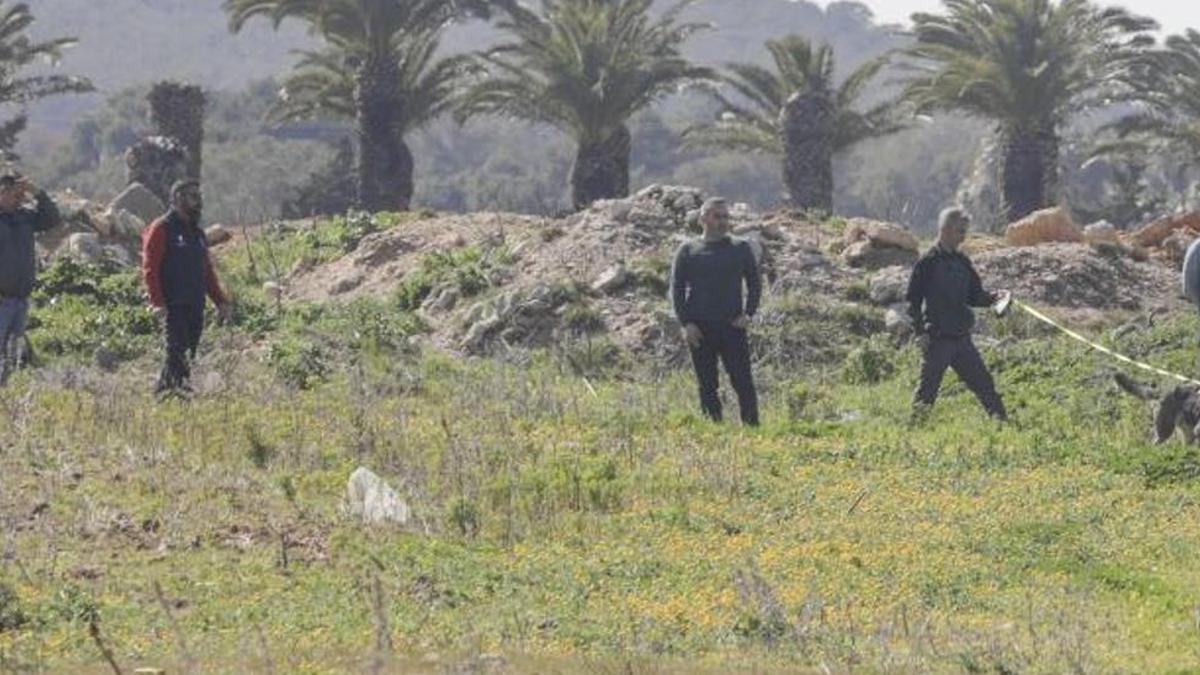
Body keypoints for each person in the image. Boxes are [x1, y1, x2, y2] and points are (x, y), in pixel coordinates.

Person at [907, 206, 1008, 421]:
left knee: (985, 386)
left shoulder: (963, 262)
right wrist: (919, 332)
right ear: (945, 230)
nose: (963, 237)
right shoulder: (927, 263)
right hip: (937, 339)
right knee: (927, 393)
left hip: (962, 339)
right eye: (960, 231)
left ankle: (1003, 424)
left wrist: (996, 298)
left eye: (965, 231)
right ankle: (912, 433)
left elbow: (975, 296)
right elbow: (913, 301)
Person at [670, 197, 762, 426]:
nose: (722, 222)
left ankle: (752, 428)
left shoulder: (740, 248)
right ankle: (714, 429)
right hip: (700, 329)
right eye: (717, 216)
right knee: (707, 383)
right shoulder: (688, 250)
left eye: (725, 217)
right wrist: (686, 323)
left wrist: (748, 314)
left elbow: (755, 283)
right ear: (703, 219)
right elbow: (677, 289)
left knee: (742, 381)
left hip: (732, 326)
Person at [141, 180, 230, 395]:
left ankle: (173, 393)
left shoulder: (197, 234)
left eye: (199, 196)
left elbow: (206, 271)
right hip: (174, 304)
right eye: (192, 196)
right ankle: (170, 395)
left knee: (189, 353)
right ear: (178, 198)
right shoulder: (162, 228)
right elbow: (150, 269)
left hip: (195, 303)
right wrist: (157, 302)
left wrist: (220, 301)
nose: (198, 201)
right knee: (176, 352)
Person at [0, 172, 61, 386]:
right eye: (14, 194)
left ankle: (5, 393)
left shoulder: (24, 217)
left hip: (20, 298)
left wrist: (37, 192)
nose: (19, 198)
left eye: (21, 194)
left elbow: (53, 218)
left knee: (12, 351)